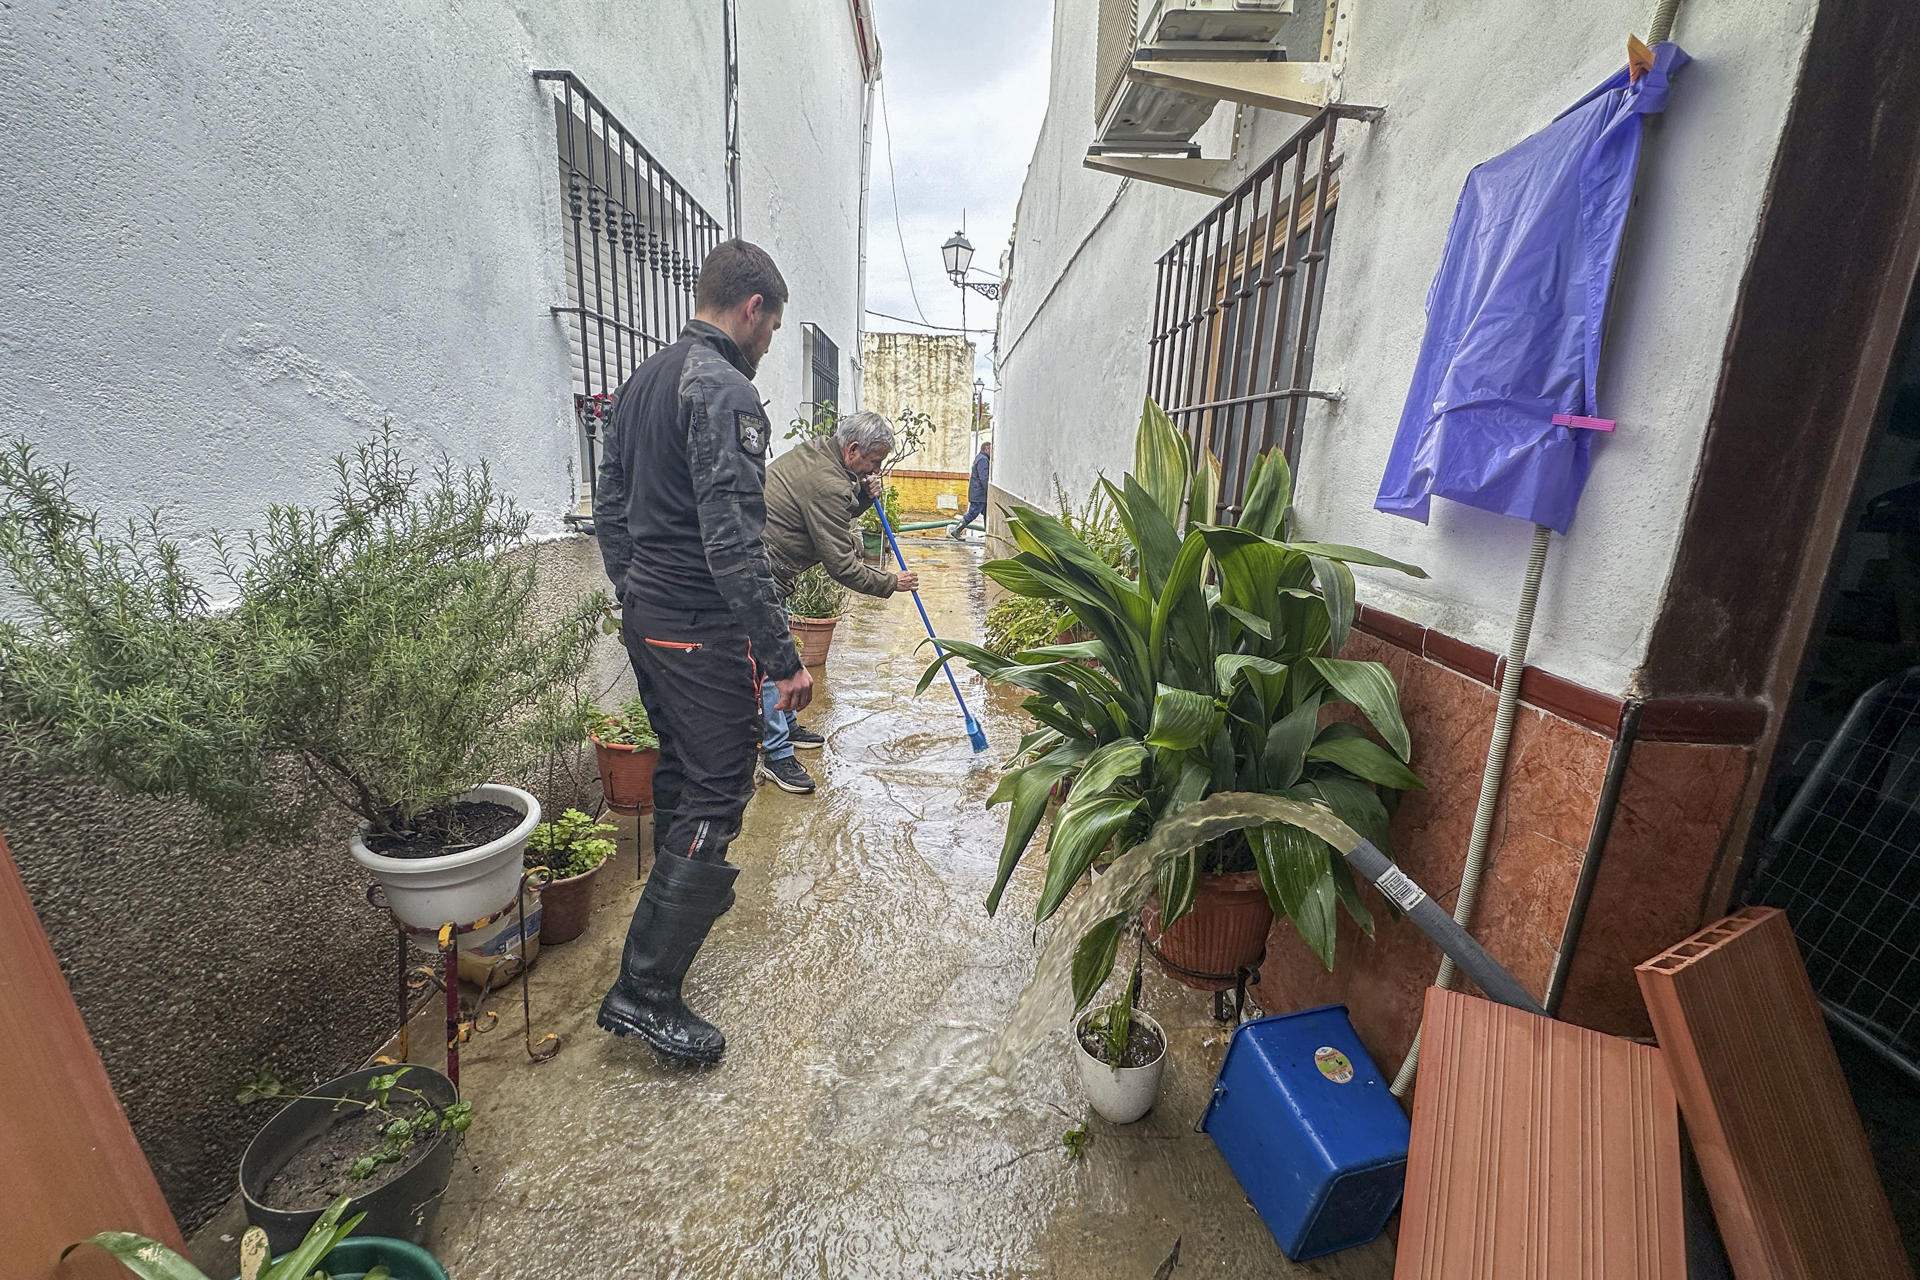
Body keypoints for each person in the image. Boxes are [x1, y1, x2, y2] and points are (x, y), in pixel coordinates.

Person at [590, 238, 808, 1065]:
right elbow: (733, 544)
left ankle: (661, 940)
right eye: (773, 329)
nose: (767, 345)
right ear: (751, 309)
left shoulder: (645, 380)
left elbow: (611, 508)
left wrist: (634, 590)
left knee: (682, 772)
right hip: (695, 621)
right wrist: (784, 658)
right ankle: (644, 991)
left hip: (652, 615)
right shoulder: (724, 392)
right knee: (719, 787)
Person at [758, 410, 919, 794]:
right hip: (761, 573)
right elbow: (842, 566)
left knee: (782, 648)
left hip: (767, 566)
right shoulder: (826, 481)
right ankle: (776, 755)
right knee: (772, 664)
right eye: (874, 462)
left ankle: (786, 725)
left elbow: (831, 511)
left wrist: (862, 495)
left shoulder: (818, 454)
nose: (875, 469)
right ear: (852, 450)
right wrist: (891, 582)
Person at [950, 440, 992, 538]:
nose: (992, 452)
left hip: (978, 493)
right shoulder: (983, 460)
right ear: (986, 449)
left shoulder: (980, 457)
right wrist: (989, 491)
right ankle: (957, 530)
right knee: (972, 514)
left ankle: (988, 535)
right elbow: (984, 478)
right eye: (991, 449)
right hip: (979, 494)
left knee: (986, 513)